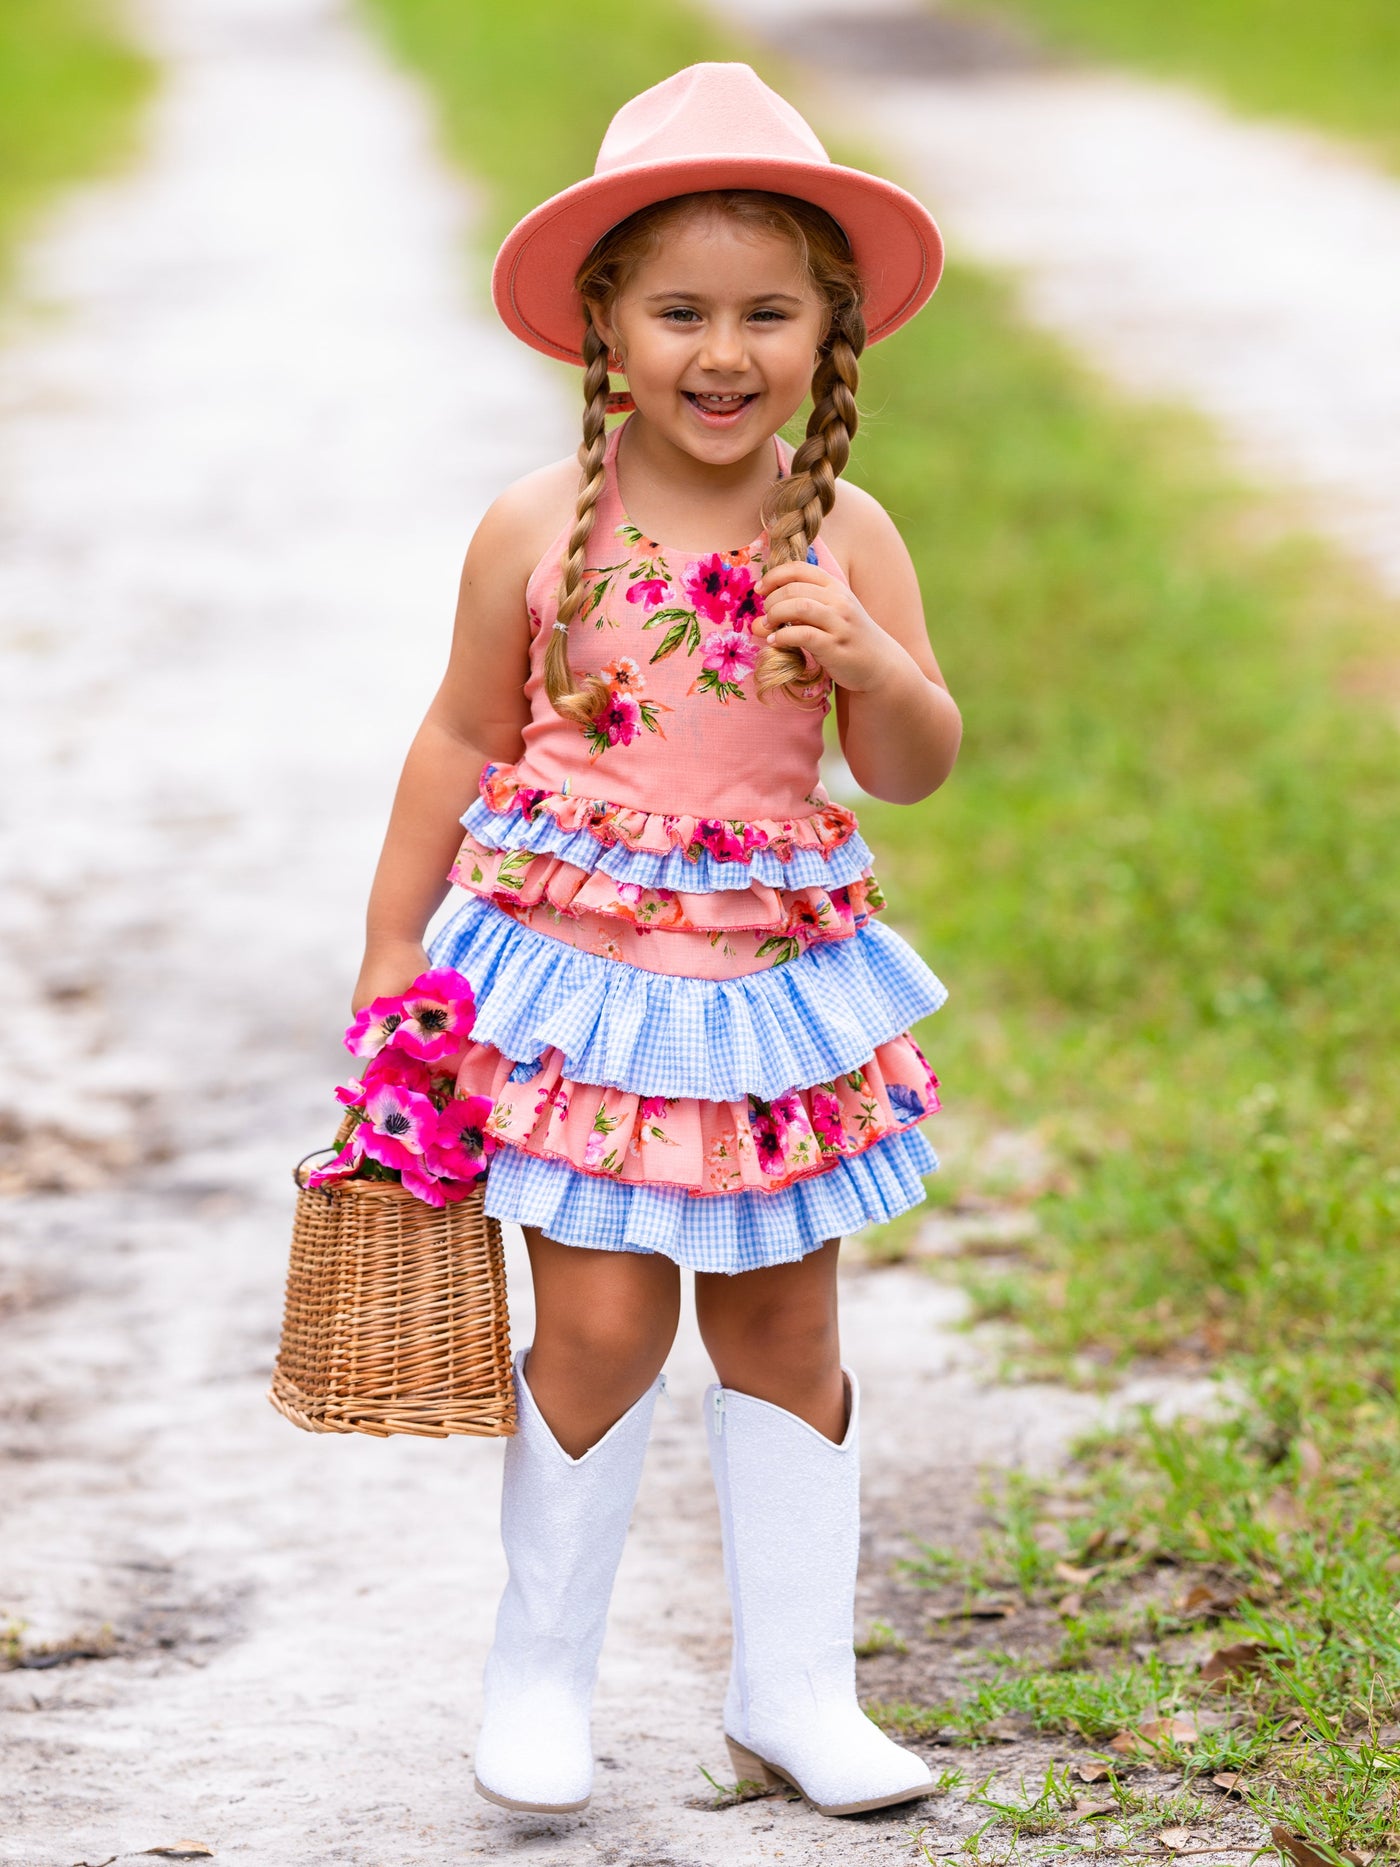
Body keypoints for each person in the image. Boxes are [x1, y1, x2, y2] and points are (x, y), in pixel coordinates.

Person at [352, 61, 962, 1819]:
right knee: (605, 1322)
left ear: (829, 331)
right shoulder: (540, 525)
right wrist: (396, 949)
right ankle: (539, 1678)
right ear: (603, 324)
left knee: (785, 1326)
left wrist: (872, 663)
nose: (723, 349)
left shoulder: (841, 532)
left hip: (767, 1000)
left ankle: (797, 1697)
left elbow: (914, 770)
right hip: (593, 990)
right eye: (679, 307)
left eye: (768, 312)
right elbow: (461, 736)